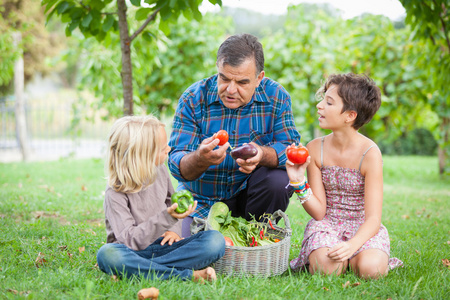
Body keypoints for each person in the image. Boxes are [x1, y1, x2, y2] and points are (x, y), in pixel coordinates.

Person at [168, 33, 301, 237]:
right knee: (182, 247)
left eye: (242, 82)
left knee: (277, 180)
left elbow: (291, 150)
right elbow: (176, 164)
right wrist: (200, 159)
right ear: (217, 68)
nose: (230, 89)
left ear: (259, 78)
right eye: (224, 78)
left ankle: (260, 232)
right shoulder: (193, 99)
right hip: (201, 200)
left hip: (250, 198)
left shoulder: (276, 97)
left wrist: (261, 154)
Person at [287, 73, 403, 279]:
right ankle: (341, 259)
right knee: (326, 269)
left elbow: (374, 218)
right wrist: (298, 181)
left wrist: (352, 245)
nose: (319, 106)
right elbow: (319, 213)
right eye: (323, 99)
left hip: (362, 227)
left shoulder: (370, 154)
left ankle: (356, 257)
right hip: (327, 225)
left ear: (350, 115)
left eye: (329, 102)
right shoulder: (315, 149)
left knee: (372, 270)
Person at [96, 115, 225, 281]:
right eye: (163, 147)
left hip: (164, 246)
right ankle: (184, 275)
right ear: (142, 155)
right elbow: (129, 240)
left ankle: (135, 270)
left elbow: (173, 204)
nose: (169, 149)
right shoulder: (115, 193)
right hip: (132, 251)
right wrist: (167, 217)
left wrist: (174, 229)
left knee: (214, 241)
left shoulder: (161, 171)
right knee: (108, 255)